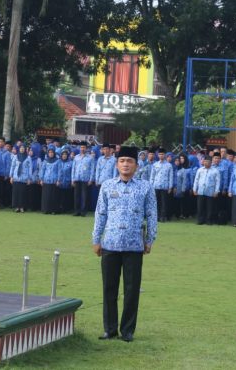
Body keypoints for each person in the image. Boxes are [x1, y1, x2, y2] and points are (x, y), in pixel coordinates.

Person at [92, 145, 157, 343]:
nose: (126, 164)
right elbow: (100, 213)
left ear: (136, 165)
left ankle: (127, 330)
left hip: (134, 245)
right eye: (122, 161)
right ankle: (109, 329)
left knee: (131, 289)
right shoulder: (107, 186)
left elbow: (152, 215)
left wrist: (150, 239)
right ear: (117, 164)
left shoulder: (145, 187)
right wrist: (96, 238)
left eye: (130, 161)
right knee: (109, 288)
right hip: (110, 244)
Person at [192, 155, 221, 225]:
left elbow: (218, 182)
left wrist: (216, 191)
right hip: (200, 191)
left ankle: (209, 220)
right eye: (205, 162)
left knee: (209, 207)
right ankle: (200, 220)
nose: (206, 163)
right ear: (203, 162)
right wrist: (194, 189)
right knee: (200, 206)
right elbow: (196, 180)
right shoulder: (200, 170)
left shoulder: (215, 171)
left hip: (210, 191)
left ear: (211, 163)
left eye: (208, 162)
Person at [150, 148, 174, 222]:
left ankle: (163, 217)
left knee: (164, 203)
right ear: (158, 155)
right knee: (156, 202)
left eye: (162, 154)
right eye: (160, 154)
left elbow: (170, 176)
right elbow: (152, 176)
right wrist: (151, 186)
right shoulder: (155, 165)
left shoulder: (169, 165)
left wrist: (170, 187)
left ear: (165, 155)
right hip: (156, 186)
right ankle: (156, 217)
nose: (161, 155)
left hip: (165, 186)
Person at [71, 142, 95, 217]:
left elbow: (92, 169)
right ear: (79, 148)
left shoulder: (90, 158)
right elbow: (73, 169)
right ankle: (76, 211)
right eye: (81, 147)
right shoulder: (76, 157)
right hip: (77, 178)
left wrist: (91, 179)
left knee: (84, 196)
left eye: (84, 147)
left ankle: (83, 211)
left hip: (85, 179)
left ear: (86, 148)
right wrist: (72, 179)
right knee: (76, 196)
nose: (82, 149)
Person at [10, 144, 32, 212]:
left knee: (23, 193)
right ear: (19, 149)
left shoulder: (28, 158)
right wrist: (11, 176)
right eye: (21, 148)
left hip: (24, 178)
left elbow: (30, 168)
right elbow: (12, 166)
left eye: (23, 148)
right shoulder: (15, 157)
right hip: (16, 177)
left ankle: (22, 207)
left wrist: (29, 178)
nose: (22, 149)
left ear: (25, 149)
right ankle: (17, 207)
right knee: (16, 192)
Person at [40, 148, 60, 214]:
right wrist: (41, 179)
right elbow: (42, 170)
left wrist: (58, 180)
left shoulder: (57, 161)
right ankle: (46, 210)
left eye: (52, 152)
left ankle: (53, 210)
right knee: (46, 196)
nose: (51, 154)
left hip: (54, 180)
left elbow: (59, 171)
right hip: (46, 180)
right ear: (48, 153)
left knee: (53, 196)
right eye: (49, 152)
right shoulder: (45, 161)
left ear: (54, 153)